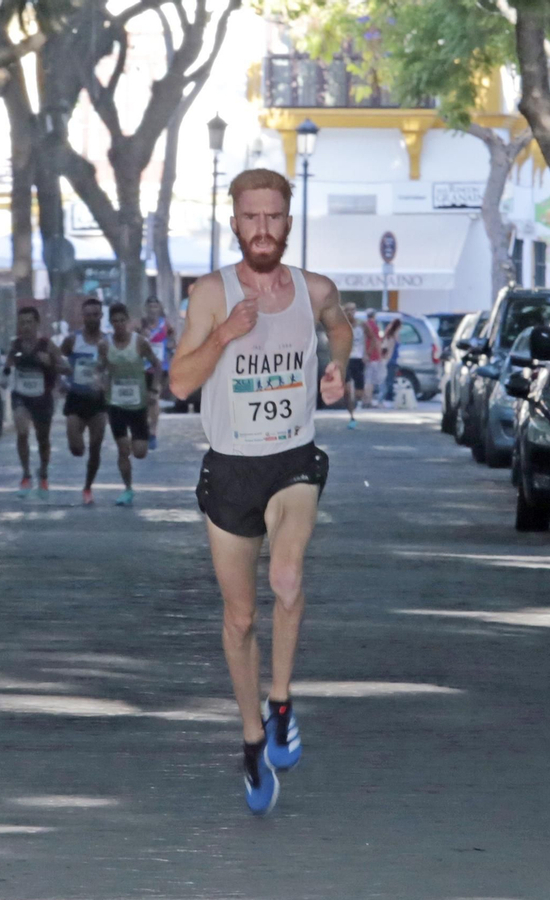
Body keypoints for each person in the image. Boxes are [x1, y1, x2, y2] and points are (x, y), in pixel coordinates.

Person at [169, 167, 350, 816]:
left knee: (290, 577)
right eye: (252, 218)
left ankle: (281, 705)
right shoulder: (211, 295)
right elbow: (180, 385)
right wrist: (223, 336)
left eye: (274, 217)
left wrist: (338, 367)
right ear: (235, 223)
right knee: (241, 617)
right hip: (231, 468)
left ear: (289, 224)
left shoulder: (314, 288)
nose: (263, 229)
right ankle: (251, 737)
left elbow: (340, 323)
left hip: (293, 460)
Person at [4, 306, 66, 500]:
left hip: (42, 397)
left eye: (30, 322)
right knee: (22, 432)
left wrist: (50, 363)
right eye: (22, 323)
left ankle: (44, 473)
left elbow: (66, 368)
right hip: (21, 395)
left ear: (37, 324)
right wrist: (5, 371)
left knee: (42, 439)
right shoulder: (16, 345)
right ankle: (26, 475)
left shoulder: (47, 345)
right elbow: (7, 366)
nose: (26, 326)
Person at [105, 303, 162, 507]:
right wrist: (99, 382)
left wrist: (153, 390)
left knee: (139, 452)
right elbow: (99, 368)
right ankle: (128, 488)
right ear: (111, 323)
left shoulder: (139, 342)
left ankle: (133, 442)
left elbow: (156, 364)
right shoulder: (105, 345)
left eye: (122, 320)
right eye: (115, 321)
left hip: (137, 405)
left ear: (127, 321)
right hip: (116, 404)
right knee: (122, 450)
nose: (119, 324)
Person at [61, 297, 110, 506]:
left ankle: (88, 487)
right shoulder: (73, 340)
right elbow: (59, 360)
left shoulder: (107, 342)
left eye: (95, 314)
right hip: (76, 398)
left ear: (101, 316)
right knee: (76, 448)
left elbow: (112, 368)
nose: (91, 319)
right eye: (87, 315)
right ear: (83, 316)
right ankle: (86, 483)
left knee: (95, 447)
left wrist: (106, 382)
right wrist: (62, 379)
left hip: (98, 401)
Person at [142, 296, 174, 450]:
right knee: (143, 400)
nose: (152, 309)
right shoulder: (140, 325)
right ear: (145, 308)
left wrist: (170, 349)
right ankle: (143, 428)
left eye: (155, 306)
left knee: (154, 398)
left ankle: (152, 432)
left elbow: (172, 342)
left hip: (159, 367)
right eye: (150, 306)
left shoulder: (165, 325)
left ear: (159, 308)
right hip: (143, 366)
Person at [344, 303, 363, 429]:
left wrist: (367, 354)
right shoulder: (340, 324)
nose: (350, 312)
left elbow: (373, 338)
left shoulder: (362, 325)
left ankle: (356, 404)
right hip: (345, 359)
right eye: (348, 310)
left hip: (358, 359)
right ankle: (351, 415)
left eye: (353, 310)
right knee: (346, 389)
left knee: (359, 392)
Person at [363, 309, 385, 407]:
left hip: (365, 355)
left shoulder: (364, 325)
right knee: (371, 380)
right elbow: (377, 342)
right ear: (374, 316)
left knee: (367, 379)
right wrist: (380, 355)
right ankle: (369, 400)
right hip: (373, 356)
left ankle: (365, 400)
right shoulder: (374, 327)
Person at [380, 318, 402, 404]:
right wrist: (388, 359)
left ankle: (387, 397)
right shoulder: (393, 336)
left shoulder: (391, 335)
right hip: (391, 360)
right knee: (389, 380)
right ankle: (388, 398)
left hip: (392, 359)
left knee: (390, 379)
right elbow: (391, 349)